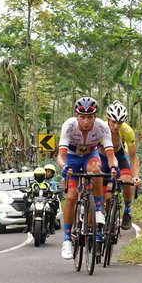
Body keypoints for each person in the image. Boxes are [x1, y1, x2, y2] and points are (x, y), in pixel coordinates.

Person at [57, 96, 118, 260]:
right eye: (82, 117)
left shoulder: (102, 127)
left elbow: (111, 155)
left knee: (95, 170)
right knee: (71, 197)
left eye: (90, 117)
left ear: (95, 117)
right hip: (72, 157)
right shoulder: (69, 126)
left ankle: (98, 210)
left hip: (91, 155)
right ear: (76, 116)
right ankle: (67, 239)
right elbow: (60, 156)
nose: (85, 121)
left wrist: (113, 167)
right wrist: (65, 167)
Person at [99, 100, 142, 231]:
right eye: (113, 122)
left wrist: (136, 176)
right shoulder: (99, 127)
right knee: (102, 194)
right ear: (107, 118)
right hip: (102, 157)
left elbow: (133, 156)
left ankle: (127, 210)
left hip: (119, 155)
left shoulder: (127, 131)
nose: (116, 126)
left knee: (127, 181)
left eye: (120, 122)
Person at [23, 167, 54, 234]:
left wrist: (51, 196)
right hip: (35, 202)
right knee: (28, 211)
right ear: (34, 176)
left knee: (51, 211)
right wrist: (27, 196)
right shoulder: (32, 184)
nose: (39, 177)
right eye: (37, 175)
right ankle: (28, 226)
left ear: (44, 176)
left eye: (41, 175)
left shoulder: (47, 184)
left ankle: (51, 227)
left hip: (45, 202)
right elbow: (28, 191)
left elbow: (51, 191)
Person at [44, 163, 60, 232]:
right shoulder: (39, 180)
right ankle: (29, 224)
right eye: (48, 171)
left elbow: (55, 190)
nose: (49, 173)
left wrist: (54, 193)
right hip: (40, 198)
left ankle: (52, 225)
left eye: (51, 172)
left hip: (49, 199)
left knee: (54, 206)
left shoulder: (53, 182)